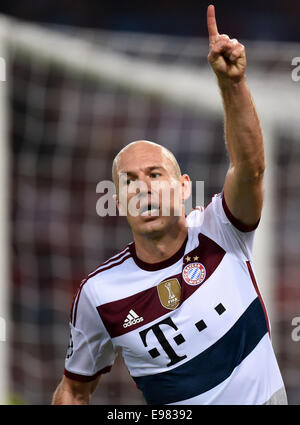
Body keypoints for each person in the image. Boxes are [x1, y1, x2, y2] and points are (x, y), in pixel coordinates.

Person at [52, 5, 287, 405]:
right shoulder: (99, 293)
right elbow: (74, 389)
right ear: (119, 200)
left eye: (154, 175)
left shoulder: (220, 229)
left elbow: (250, 169)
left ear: (182, 188)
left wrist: (232, 84)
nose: (143, 188)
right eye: (129, 181)